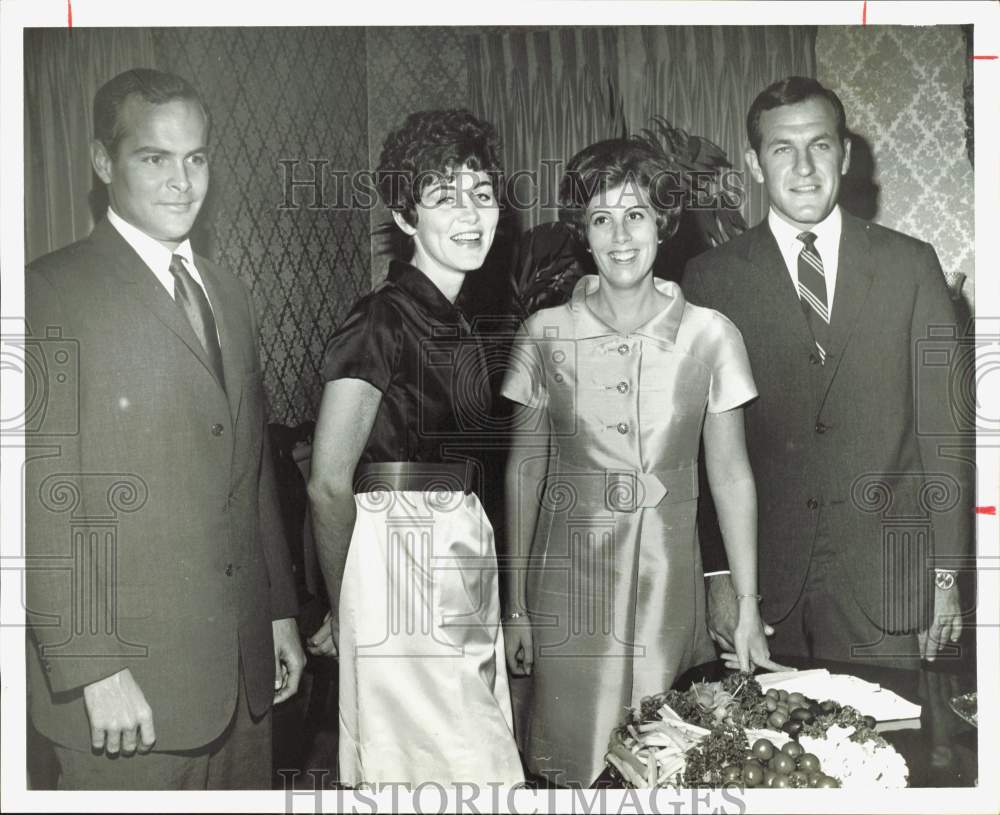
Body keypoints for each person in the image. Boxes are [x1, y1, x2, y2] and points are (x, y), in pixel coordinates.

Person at [24, 69, 305, 789]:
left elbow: (250, 466)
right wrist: (94, 667)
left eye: (197, 157)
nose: (183, 181)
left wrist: (276, 612)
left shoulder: (227, 291)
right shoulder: (47, 292)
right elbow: (39, 498)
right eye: (155, 158)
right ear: (102, 162)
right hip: (125, 697)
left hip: (241, 683)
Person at [500, 138, 778, 787]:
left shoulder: (710, 333)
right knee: (574, 769)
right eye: (601, 217)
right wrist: (514, 605)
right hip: (564, 596)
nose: (620, 235)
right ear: (583, 231)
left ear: (663, 222)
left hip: (666, 591)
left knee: (665, 766)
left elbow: (732, 476)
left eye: (636, 215)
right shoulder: (544, 333)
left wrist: (744, 601)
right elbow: (523, 473)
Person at [684, 76, 972, 670]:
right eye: (782, 149)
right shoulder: (711, 278)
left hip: (892, 585)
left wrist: (947, 576)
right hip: (764, 589)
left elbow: (945, 436)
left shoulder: (910, 265)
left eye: (819, 145)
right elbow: (698, 446)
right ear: (755, 164)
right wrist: (719, 574)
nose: (804, 167)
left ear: (844, 154)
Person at [307, 109, 524, 786]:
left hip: (461, 545)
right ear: (406, 217)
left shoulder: (465, 322)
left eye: (482, 195)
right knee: (469, 764)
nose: (470, 214)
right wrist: (347, 603)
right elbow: (327, 482)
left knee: (455, 763)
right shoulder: (379, 318)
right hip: (398, 562)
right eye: (444, 197)